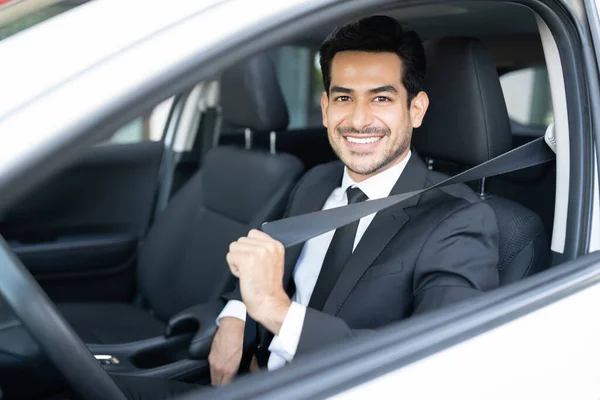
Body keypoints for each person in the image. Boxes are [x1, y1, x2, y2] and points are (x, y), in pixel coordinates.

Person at [110, 14, 500, 399]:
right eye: (345, 98)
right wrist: (235, 316)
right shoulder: (315, 182)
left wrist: (278, 312)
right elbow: (258, 273)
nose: (359, 120)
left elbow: (439, 366)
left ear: (415, 109)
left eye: (381, 98)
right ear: (326, 108)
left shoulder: (458, 221)